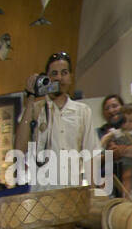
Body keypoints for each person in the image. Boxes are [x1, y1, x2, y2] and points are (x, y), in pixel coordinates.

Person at [18, 52, 97, 189]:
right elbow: (19, 149)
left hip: (72, 194)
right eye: (54, 74)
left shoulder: (83, 111)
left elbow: (90, 153)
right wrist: (31, 96)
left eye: (64, 73)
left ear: (71, 77)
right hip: (42, 194)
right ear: (46, 78)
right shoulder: (34, 110)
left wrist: (93, 190)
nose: (59, 78)